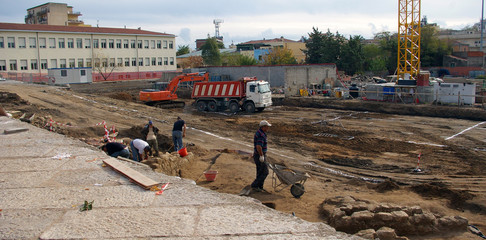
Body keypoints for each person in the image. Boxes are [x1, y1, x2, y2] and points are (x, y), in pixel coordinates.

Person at [251, 120, 271, 192]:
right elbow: (259, 146)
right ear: (263, 127)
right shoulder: (261, 135)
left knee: (260, 171)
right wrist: (261, 156)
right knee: (265, 172)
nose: (268, 128)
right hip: (259, 155)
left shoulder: (260, 132)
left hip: (257, 154)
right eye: (267, 127)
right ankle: (255, 185)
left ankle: (259, 187)